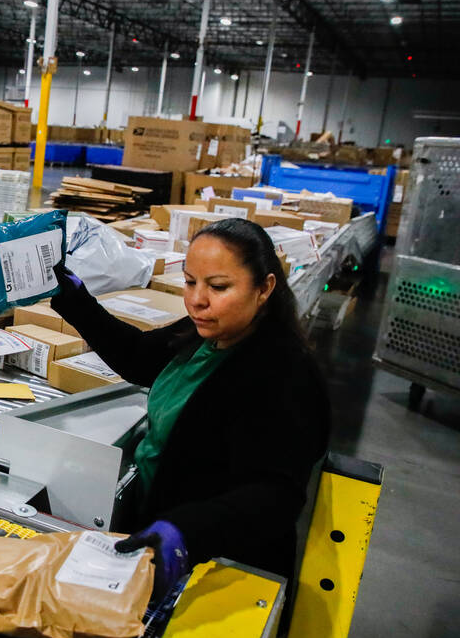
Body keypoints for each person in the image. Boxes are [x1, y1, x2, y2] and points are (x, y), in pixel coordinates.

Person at [49, 217, 329, 599]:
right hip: (158, 530)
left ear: (264, 288)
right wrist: (76, 300)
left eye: (218, 286)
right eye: (190, 281)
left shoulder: (284, 374)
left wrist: (187, 531)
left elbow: (274, 496)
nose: (198, 299)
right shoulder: (207, 333)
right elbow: (137, 356)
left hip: (216, 568)